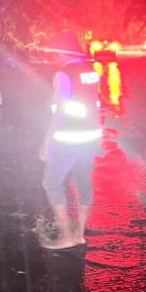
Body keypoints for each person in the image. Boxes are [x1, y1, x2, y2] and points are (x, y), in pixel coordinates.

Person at [39, 29, 101, 249]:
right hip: (91, 136)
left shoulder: (63, 74)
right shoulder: (91, 70)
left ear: (63, 51)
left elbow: (61, 111)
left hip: (69, 138)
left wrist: (46, 142)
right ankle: (80, 234)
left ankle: (66, 235)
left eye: (55, 52)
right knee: (83, 182)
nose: (54, 57)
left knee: (51, 182)